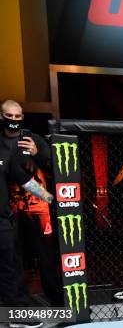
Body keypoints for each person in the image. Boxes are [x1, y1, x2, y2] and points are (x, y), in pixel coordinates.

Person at [1, 100, 63, 307]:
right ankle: (20, 304)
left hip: (39, 206)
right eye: (9, 116)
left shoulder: (32, 139)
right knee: (13, 258)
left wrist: (40, 153)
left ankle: (58, 300)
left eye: (18, 117)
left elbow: (57, 166)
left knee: (46, 255)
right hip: (11, 209)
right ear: (1, 116)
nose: (14, 120)